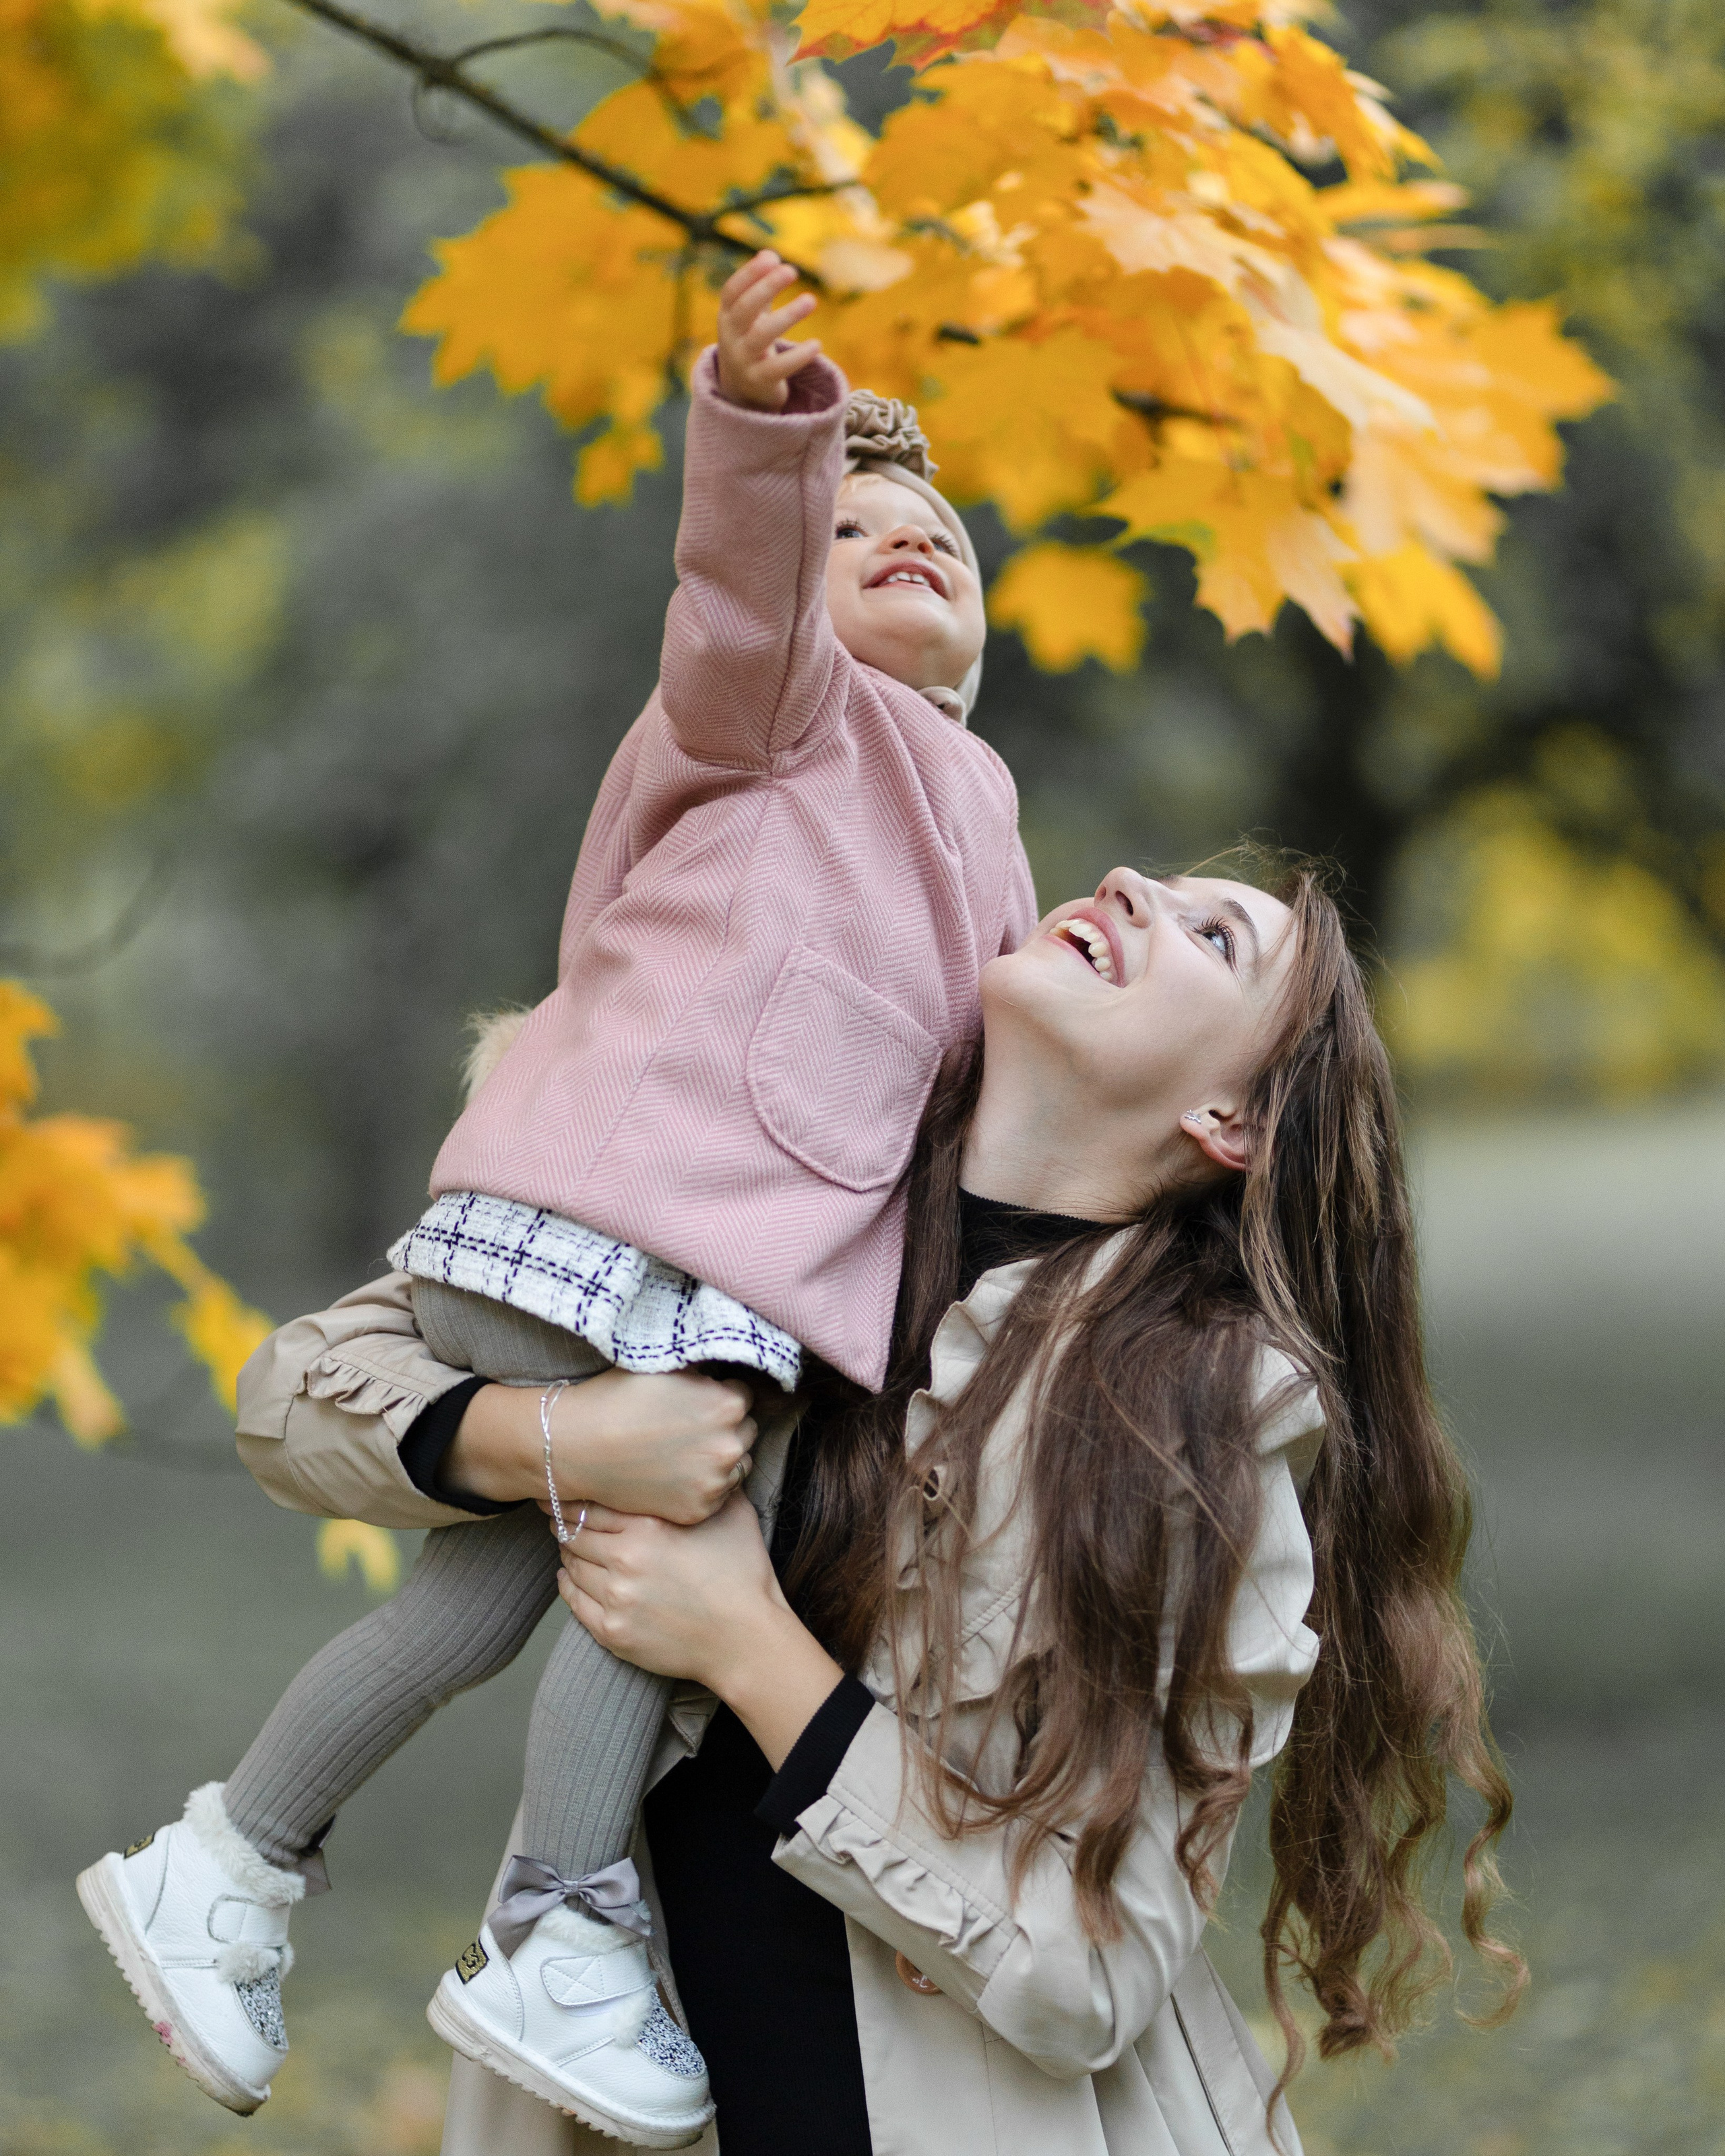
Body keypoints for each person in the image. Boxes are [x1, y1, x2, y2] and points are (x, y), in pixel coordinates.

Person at [74, 247, 1036, 2146]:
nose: (904, 543)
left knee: (496, 1590)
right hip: (614, 1234)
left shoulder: (979, 802)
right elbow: (734, 594)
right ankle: (563, 1918)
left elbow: (973, 1081)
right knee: (680, 1525)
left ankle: (236, 1857)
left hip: (712, 1280)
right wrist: (771, 434)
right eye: (857, 530)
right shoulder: (775, 717)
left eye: (940, 539)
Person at [220, 858, 1524, 2155]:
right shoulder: (744, 1190)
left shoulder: (1189, 1426)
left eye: (1217, 937)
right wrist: (561, 1434)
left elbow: (1092, 1973)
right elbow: (294, 1395)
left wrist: (744, 1642)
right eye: (1155, 880)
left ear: (1234, 1121)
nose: (1131, 882)